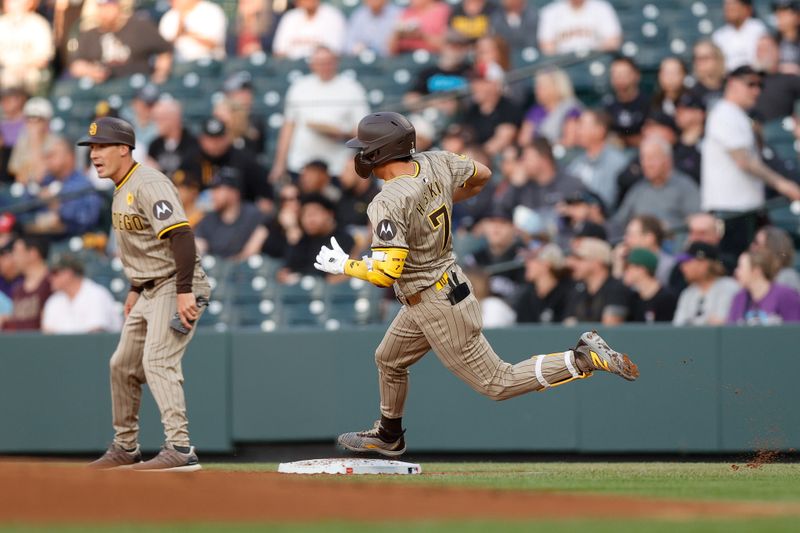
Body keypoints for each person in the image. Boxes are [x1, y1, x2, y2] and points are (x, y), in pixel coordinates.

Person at [313, 111, 638, 455]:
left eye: (364, 148)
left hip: (434, 301)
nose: (359, 154)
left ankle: (581, 359)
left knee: (498, 382)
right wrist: (439, 201)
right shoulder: (435, 161)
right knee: (389, 359)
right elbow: (483, 174)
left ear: (377, 153)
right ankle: (389, 434)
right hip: (439, 285)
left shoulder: (388, 201)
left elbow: (385, 273)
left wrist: (345, 264)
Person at [81, 117, 211, 471]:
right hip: (150, 287)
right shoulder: (121, 186)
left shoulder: (148, 182)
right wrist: (135, 288)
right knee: (122, 365)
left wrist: (185, 292)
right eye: (91, 147)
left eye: (102, 146)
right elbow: (146, 245)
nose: (94, 154)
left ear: (124, 148)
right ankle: (126, 446)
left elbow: (181, 236)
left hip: (177, 284)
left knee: (157, 360)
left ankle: (180, 449)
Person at [701, 65, 800, 257]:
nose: (756, 90)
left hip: (745, 210)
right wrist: (784, 185)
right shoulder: (724, 113)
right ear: (732, 83)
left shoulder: (738, 116)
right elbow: (744, 161)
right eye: (750, 84)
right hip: (730, 211)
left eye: (759, 85)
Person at [269, 47, 369, 182]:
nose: (324, 67)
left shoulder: (352, 88)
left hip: (336, 166)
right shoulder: (299, 87)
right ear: (312, 64)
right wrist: (280, 164)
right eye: (320, 62)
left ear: (336, 62)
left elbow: (365, 131)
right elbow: (288, 127)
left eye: (328, 62)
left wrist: (342, 133)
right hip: (300, 164)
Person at [69, 0, 172, 85]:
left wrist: (160, 74)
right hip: (103, 88)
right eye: (101, 7)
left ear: (118, 6)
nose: (104, 12)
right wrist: (91, 71)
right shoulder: (89, 35)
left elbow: (164, 50)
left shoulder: (140, 26)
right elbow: (76, 64)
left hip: (137, 87)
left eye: (108, 6)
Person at [611, 136, 701, 232]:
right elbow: (618, 222)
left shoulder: (685, 186)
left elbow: (697, 221)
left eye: (652, 158)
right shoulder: (638, 189)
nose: (646, 164)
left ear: (667, 160)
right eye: (643, 159)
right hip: (639, 243)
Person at [24, 135, 103, 238]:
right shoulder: (45, 180)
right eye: (47, 156)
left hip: (72, 242)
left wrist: (58, 206)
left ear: (69, 156)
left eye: (53, 155)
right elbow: (23, 208)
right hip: (40, 239)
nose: (48, 160)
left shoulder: (83, 184)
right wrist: (35, 181)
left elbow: (88, 218)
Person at [197, 117, 272, 211]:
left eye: (219, 138)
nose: (214, 144)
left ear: (227, 137)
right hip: (197, 217)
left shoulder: (244, 159)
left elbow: (265, 199)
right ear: (201, 139)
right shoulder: (192, 158)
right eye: (210, 139)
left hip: (239, 217)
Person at [565, 109, 630, 210]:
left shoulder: (616, 162)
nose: (578, 130)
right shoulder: (577, 161)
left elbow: (607, 203)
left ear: (599, 130)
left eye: (582, 125)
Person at [281, 193, 354, 282]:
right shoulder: (302, 240)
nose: (309, 219)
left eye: (314, 214)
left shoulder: (344, 239)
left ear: (329, 214)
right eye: (305, 215)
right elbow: (285, 271)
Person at [194, 168, 264, 260]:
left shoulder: (254, 215)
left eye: (217, 189)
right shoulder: (208, 219)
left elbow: (251, 252)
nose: (212, 194)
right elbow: (199, 246)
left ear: (234, 192)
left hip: (245, 271)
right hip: (213, 271)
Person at [42, 254, 122, 334]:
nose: (50, 278)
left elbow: (96, 337)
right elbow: (48, 337)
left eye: (54, 273)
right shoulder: (53, 301)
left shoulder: (95, 294)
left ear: (68, 273)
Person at [457, 61, 520, 158]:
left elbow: (502, 140)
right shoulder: (472, 111)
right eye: (474, 81)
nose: (474, 86)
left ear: (494, 84)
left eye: (480, 82)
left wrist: (473, 157)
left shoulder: (508, 108)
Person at [564, 236, 633, 325]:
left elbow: (609, 332)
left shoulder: (617, 289)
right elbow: (567, 329)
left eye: (580, 259)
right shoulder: (578, 292)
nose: (573, 264)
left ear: (598, 262)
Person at [672, 242, 739, 325]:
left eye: (687, 262)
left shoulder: (729, 287)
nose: (682, 267)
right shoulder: (687, 293)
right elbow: (678, 326)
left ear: (704, 264)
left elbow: (722, 323)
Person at [728, 249, 800, 324]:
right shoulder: (739, 298)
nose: (736, 271)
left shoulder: (786, 295)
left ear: (756, 271)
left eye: (740, 267)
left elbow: (794, 331)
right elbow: (730, 332)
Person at [517, 67, 582, 146]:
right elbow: (523, 140)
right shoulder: (536, 110)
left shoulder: (571, 108)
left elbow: (570, 141)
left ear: (556, 87)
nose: (536, 90)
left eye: (541, 87)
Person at [0, 0, 53, 93]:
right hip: (4, 71)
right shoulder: (2, 24)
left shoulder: (39, 24)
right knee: (7, 77)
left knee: (33, 77)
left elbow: (44, 58)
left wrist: (22, 66)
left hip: (30, 73)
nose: (11, 3)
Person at [0, 235, 51, 331]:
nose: (13, 257)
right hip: (20, 344)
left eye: (16, 252)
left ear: (32, 254)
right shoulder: (18, 289)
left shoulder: (52, 284)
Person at [514, 242, 572, 323]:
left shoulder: (567, 293)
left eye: (532, 260)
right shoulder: (526, 295)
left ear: (546, 264)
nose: (527, 264)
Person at [537, 0, 621, 56]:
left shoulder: (602, 8)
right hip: (563, 62)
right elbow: (546, 47)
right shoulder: (550, 11)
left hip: (596, 58)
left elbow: (613, 42)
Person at [615, 214, 675, 288]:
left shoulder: (669, 266)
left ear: (649, 238)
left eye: (631, 235)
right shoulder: (627, 262)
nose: (625, 239)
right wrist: (618, 265)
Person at [146, 99, 201, 179]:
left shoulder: (192, 144)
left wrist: (159, 171)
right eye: (155, 119)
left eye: (160, 119)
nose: (156, 124)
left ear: (175, 119)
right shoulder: (154, 145)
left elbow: (190, 175)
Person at [271, 0, 346, 59]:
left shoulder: (333, 16)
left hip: (322, 69)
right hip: (292, 66)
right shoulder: (290, 17)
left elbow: (336, 51)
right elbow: (279, 51)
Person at [158, 0, 227, 63]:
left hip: (208, 63)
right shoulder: (169, 16)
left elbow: (214, 44)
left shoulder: (211, 11)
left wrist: (188, 33)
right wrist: (178, 33)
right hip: (178, 64)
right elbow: (163, 48)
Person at [603, 57, 649, 147]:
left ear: (637, 75)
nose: (619, 78)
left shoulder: (649, 103)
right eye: (615, 74)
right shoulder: (607, 104)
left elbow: (651, 137)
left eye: (623, 74)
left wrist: (624, 141)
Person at [622, 247, 677, 323]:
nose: (625, 271)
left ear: (641, 269)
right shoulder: (633, 298)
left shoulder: (667, 298)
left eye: (628, 267)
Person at [8, 97, 55, 185]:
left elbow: (41, 177)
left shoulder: (55, 143)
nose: (33, 123)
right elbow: (16, 174)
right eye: (29, 118)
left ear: (47, 121)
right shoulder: (23, 140)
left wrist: (35, 140)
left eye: (38, 119)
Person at [753, 34, 800, 121]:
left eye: (765, 49)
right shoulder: (751, 79)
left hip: (781, 130)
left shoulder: (789, 77)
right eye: (758, 50)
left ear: (777, 51)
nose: (760, 53)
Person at [712, 0, 767, 70]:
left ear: (746, 9)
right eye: (726, 5)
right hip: (728, 78)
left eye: (733, 4)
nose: (728, 8)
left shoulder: (758, 28)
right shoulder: (719, 35)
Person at [750, 225, 800, 291]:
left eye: (757, 243)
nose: (752, 247)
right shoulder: (757, 273)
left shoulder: (786, 277)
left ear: (772, 249)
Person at [673, 90, 706, 183]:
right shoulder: (673, 143)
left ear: (700, 114)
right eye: (678, 108)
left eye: (685, 109)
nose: (678, 112)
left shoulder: (710, 144)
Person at [687, 39, 727, 110]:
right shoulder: (690, 94)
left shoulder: (731, 85)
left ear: (718, 58)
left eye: (705, 58)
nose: (701, 63)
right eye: (697, 58)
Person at [773, 0, 800, 74]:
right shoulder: (772, 41)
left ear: (798, 17)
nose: (779, 17)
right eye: (778, 14)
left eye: (784, 13)